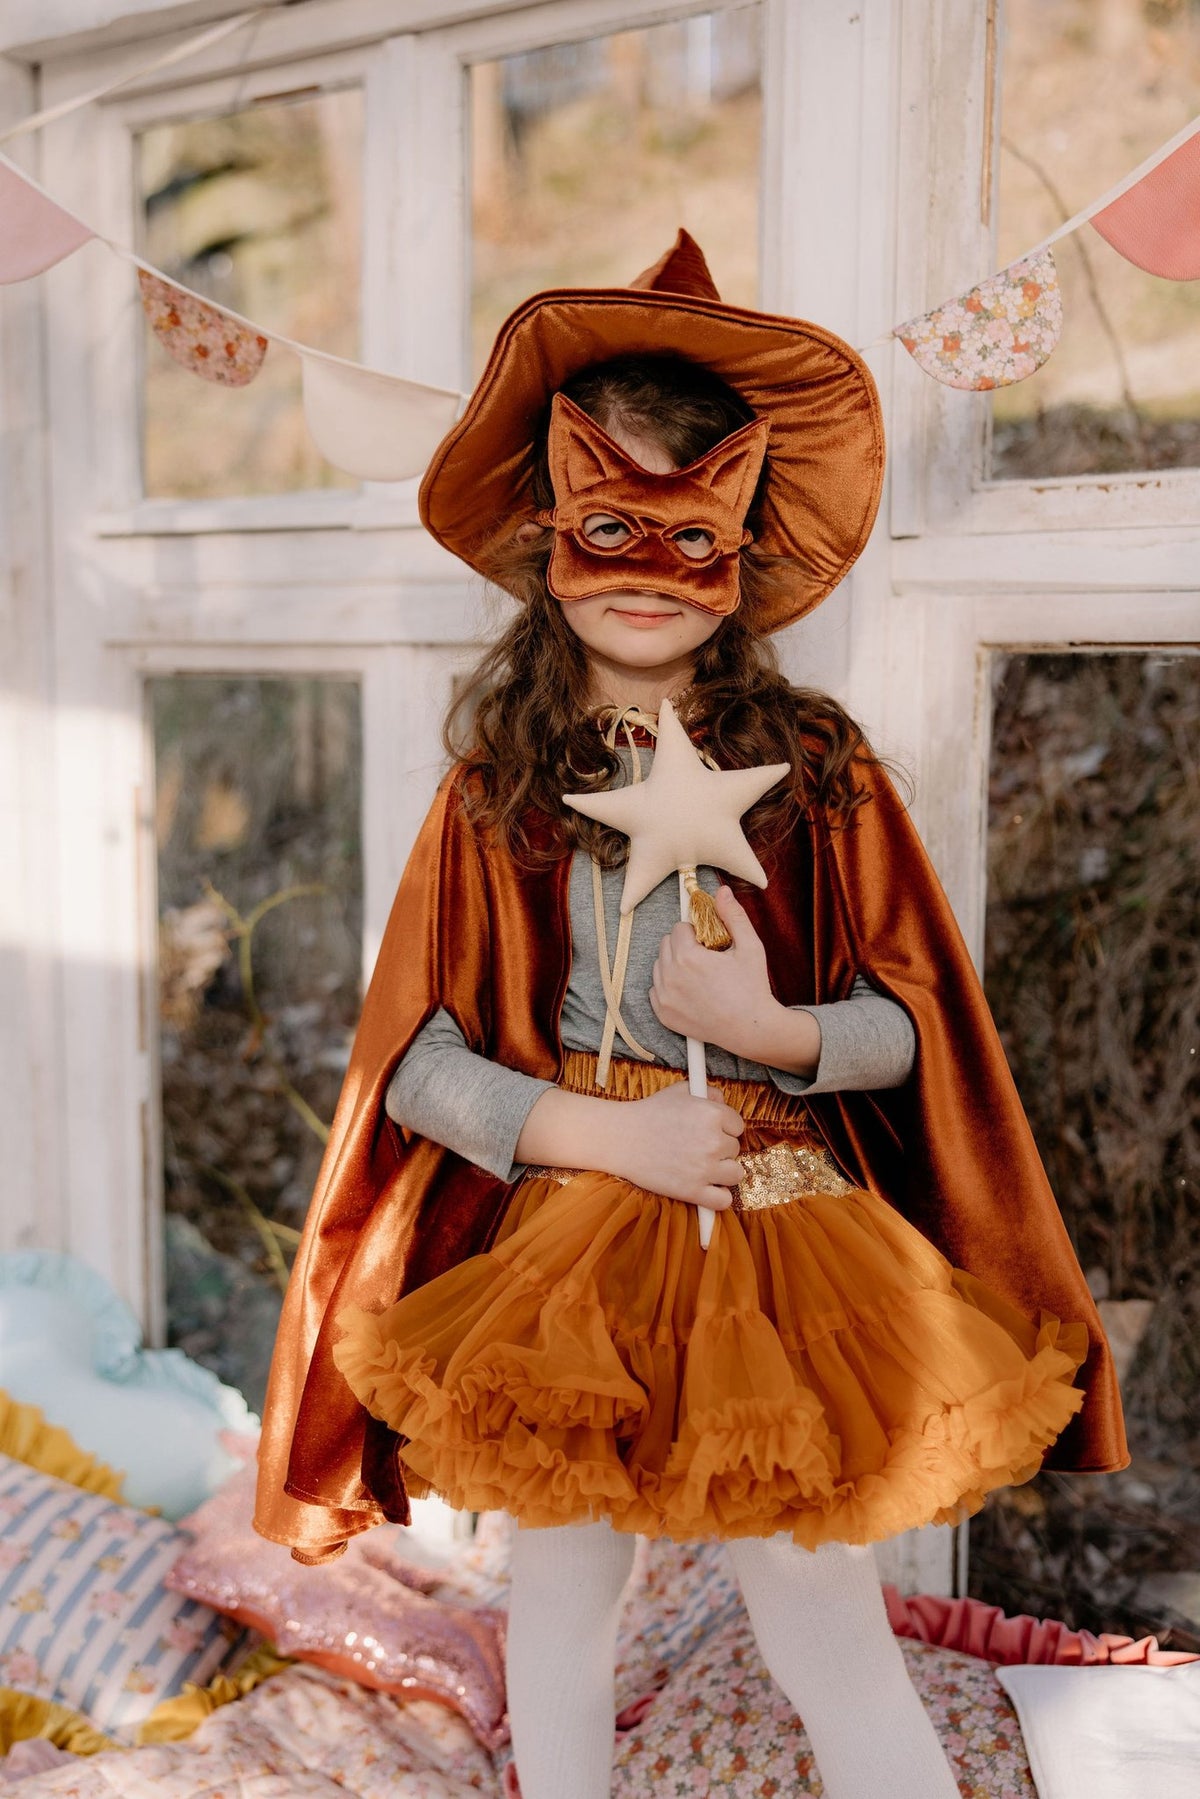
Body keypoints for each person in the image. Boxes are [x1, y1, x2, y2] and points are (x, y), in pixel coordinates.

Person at [253, 233, 1129, 1799]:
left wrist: (775, 1028)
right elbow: (417, 1067)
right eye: (611, 529)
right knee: (561, 1607)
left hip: (778, 1214)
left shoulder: (818, 769)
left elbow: (913, 1035)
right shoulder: (501, 790)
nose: (650, 579)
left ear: (741, 551)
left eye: (691, 539)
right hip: (574, 1242)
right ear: (550, 540)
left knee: (819, 1616)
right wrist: (601, 1132)